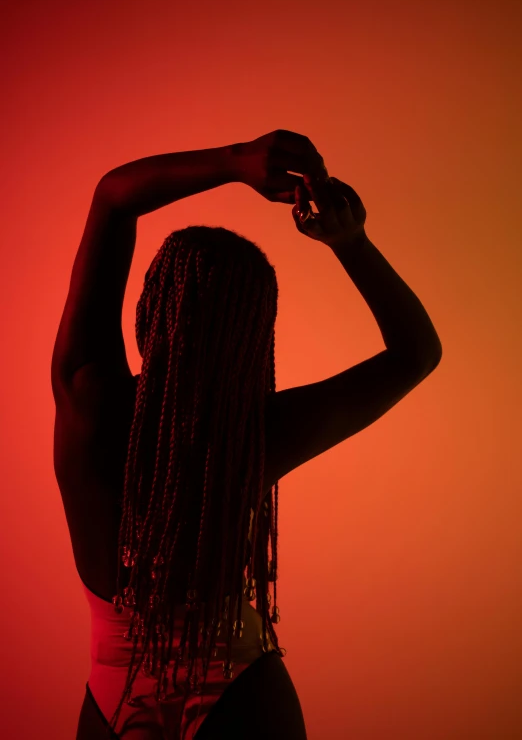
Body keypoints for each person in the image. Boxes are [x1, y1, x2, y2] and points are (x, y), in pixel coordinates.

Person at [51, 129, 442, 739]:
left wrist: (233, 163)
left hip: (113, 690)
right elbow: (415, 352)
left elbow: (113, 196)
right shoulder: (258, 435)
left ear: (149, 309)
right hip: (240, 688)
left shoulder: (88, 398)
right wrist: (349, 241)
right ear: (256, 337)